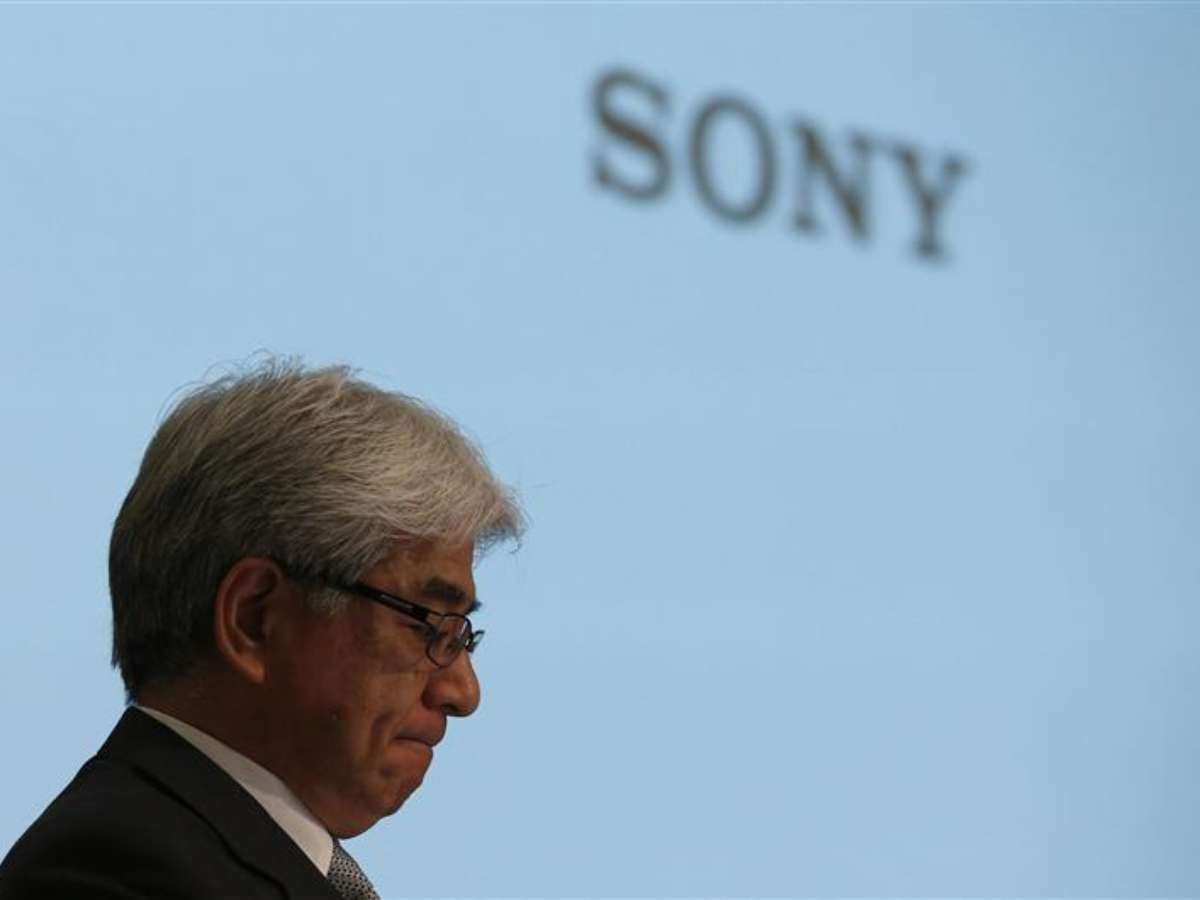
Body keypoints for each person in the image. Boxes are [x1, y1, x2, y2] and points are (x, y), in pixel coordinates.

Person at [0, 359, 524, 899]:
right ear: (254, 618)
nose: (463, 692)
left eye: (462, 638)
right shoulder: (107, 874)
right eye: (428, 627)